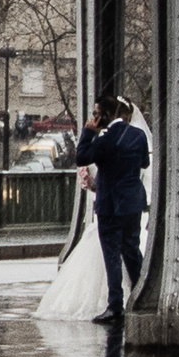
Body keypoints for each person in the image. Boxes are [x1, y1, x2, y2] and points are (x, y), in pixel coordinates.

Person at [75, 94, 149, 324]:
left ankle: (115, 305)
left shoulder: (105, 138)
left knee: (112, 256)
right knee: (131, 250)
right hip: (132, 201)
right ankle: (140, 297)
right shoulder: (138, 135)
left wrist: (88, 132)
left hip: (109, 204)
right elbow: (144, 163)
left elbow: (82, 157)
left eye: (98, 114)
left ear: (107, 115)